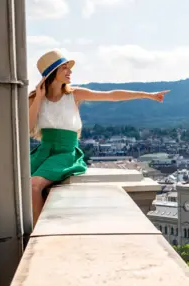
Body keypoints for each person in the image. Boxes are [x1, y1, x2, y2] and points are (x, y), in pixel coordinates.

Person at [28, 50, 169, 226]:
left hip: (64, 153)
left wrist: (147, 95)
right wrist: (39, 98)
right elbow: (27, 127)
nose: (70, 72)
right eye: (64, 68)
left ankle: (38, 235)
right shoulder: (36, 98)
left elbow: (111, 95)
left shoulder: (74, 95)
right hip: (43, 152)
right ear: (52, 73)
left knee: (34, 186)